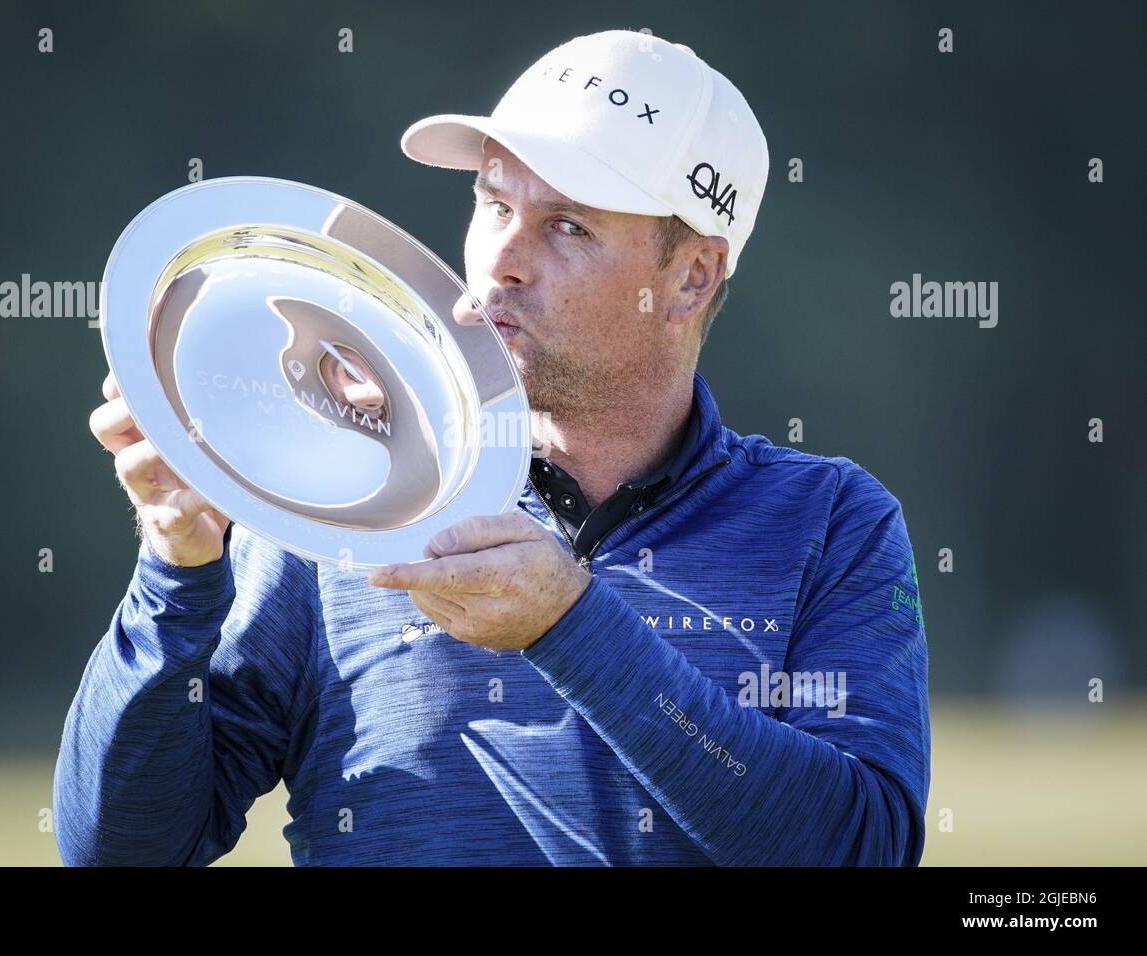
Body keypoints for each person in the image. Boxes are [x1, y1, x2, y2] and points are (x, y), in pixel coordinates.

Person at [54, 28, 930, 866]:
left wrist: (573, 629)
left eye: (569, 226)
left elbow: (860, 848)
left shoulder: (830, 522)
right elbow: (121, 850)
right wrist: (176, 569)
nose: (501, 260)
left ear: (691, 276)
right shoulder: (345, 494)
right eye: (493, 203)